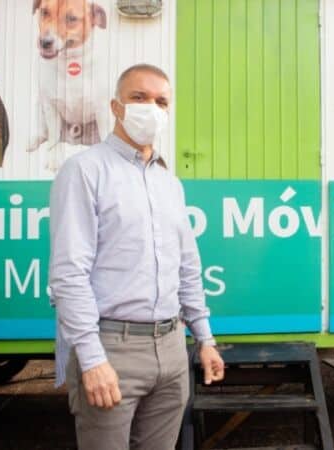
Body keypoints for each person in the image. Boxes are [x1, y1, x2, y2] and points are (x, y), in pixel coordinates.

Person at [49, 63, 225, 450]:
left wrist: (205, 338)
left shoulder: (168, 182)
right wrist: (92, 359)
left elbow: (187, 267)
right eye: (139, 98)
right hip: (112, 347)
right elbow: (68, 275)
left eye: (161, 101)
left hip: (171, 348)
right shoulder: (84, 171)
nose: (151, 108)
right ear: (116, 106)